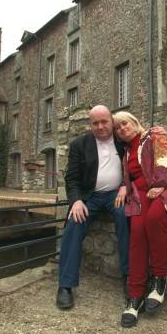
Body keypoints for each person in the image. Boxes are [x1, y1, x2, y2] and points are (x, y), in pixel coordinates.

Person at [113, 111, 167, 328]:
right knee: (137, 233)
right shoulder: (126, 152)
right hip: (141, 195)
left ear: (135, 122)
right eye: (117, 128)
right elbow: (129, 179)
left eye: (125, 123)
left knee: (155, 218)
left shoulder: (154, 135)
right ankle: (135, 294)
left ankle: (159, 280)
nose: (122, 128)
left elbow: (165, 158)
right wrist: (124, 189)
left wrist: (159, 183)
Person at [56, 105, 130, 310]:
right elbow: (71, 178)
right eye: (95, 123)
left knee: (126, 216)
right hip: (91, 196)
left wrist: (125, 186)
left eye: (104, 121)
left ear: (111, 121)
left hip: (116, 194)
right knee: (74, 223)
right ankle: (65, 285)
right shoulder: (80, 144)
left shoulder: (122, 140)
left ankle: (129, 276)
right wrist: (76, 201)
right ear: (90, 125)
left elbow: (136, 165)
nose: (100, 126)